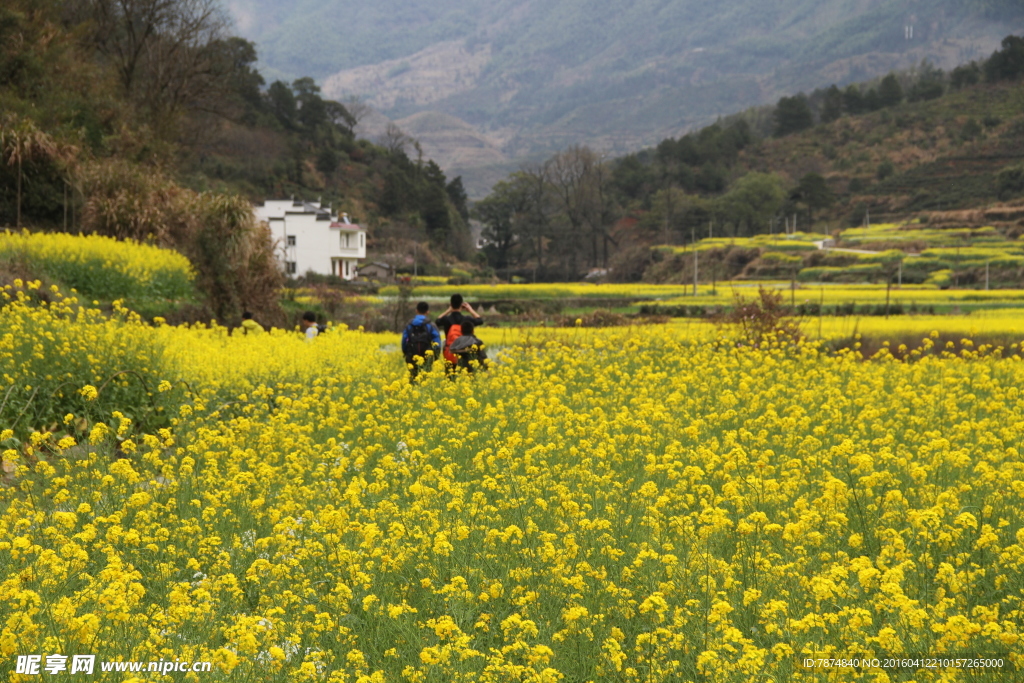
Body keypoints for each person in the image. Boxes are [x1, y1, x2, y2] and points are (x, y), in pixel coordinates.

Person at [436, 294, 483, 370]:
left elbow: (437, 321)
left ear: (451, 304)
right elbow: (480, 321)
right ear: (461, 305)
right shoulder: (467, 319)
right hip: (465, 352)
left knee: (450, 376)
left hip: (450, 351)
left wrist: (448, 310)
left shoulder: (446, 319)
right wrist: (470, 310)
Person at [401, 301, 441, 381]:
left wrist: (406, 353)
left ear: (416, 311)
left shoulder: (409, 324)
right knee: (426, 379)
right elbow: (437, 341)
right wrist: (435, 356)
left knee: (413, 378)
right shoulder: (431, 325)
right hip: (427, 355)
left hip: (412, 354)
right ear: (427, 312)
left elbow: (404, 341)